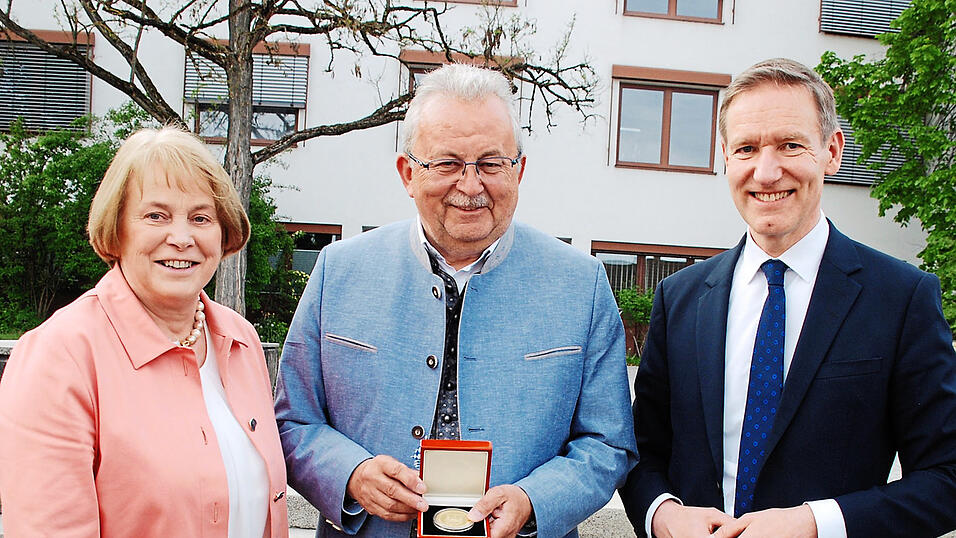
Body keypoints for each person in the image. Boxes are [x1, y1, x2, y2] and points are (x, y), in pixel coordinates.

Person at [274, 63, 638, 538]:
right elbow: (292, 420)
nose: (470, 186)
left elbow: (609, 442)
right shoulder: (338, 271)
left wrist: (535, 500)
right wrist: (350, 474)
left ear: (519, 170)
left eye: (491, 163)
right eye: (446, 164)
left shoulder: (580, 284)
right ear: (407, 172)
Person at [619, 57, 956, 538]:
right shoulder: (682, 298)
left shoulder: (901, 298)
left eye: (790, 145)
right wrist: (664, 514)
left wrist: (816, 523)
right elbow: (640, 452)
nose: (766, 170)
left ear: (832, 151)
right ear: (726, 157)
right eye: (747, 148)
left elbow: (946, 478)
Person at [0, 127, 289, 537]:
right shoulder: (59, 357)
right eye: (156, 215)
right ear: (116, 229)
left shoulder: (239, 340)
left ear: (223, 232)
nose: (182, 238)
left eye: (200, 218)